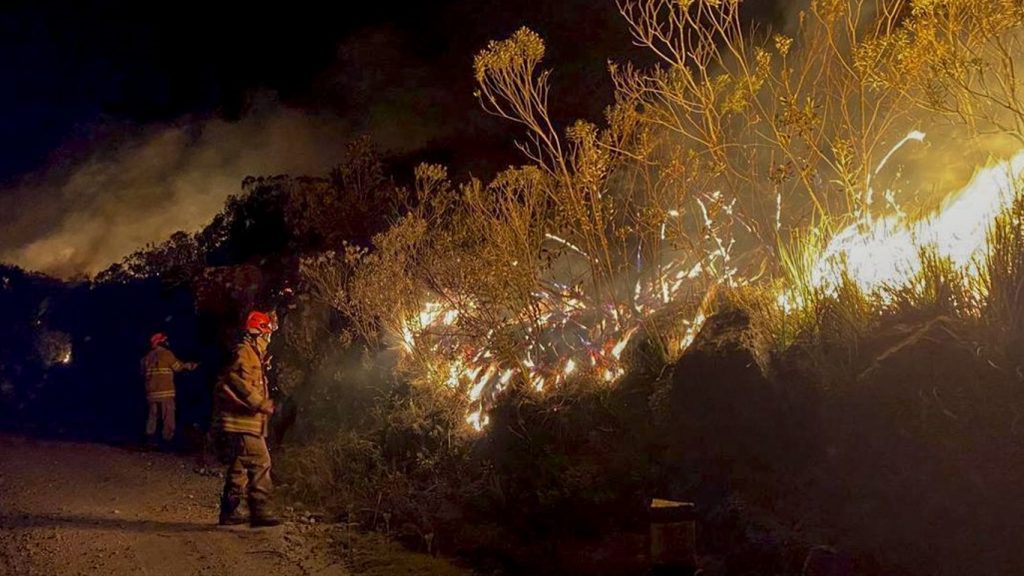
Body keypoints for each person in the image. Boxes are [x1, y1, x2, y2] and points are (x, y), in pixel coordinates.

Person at [212, 310, 281, 528]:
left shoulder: (254, 355)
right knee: (262, 462)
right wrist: (258, 402)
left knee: (239, 467)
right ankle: (259, 511)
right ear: (260, 333)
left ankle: (229, 512)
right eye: (267, 334)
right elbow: (234, 380)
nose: (269, 339)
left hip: (247, 422)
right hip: (242, 422)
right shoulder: (244, 352)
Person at [141, 332, 198, 447]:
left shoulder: (146, 358)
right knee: (168, 416)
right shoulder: (166, 354)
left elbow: (142, 374)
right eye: (165, 340)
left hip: (151, 393)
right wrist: (190, 365)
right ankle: (167, 440)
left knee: (152, 416)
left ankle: (150, 439)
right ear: (161, 342)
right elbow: (178, 367)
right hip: (165, 392)